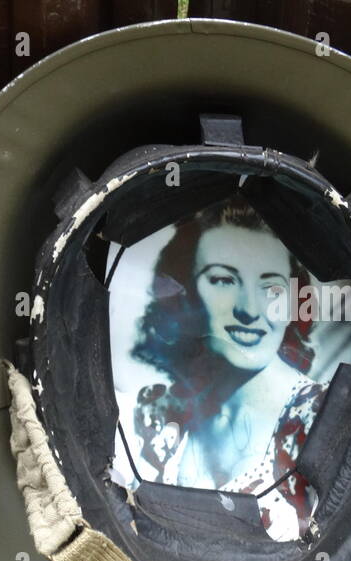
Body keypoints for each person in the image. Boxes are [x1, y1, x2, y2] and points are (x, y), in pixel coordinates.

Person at [126, 196, 326, 541]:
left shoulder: (321, 420)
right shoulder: (154, 414)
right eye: (223, 280)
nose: (250, 309)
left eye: (272, 287)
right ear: (186, 292)